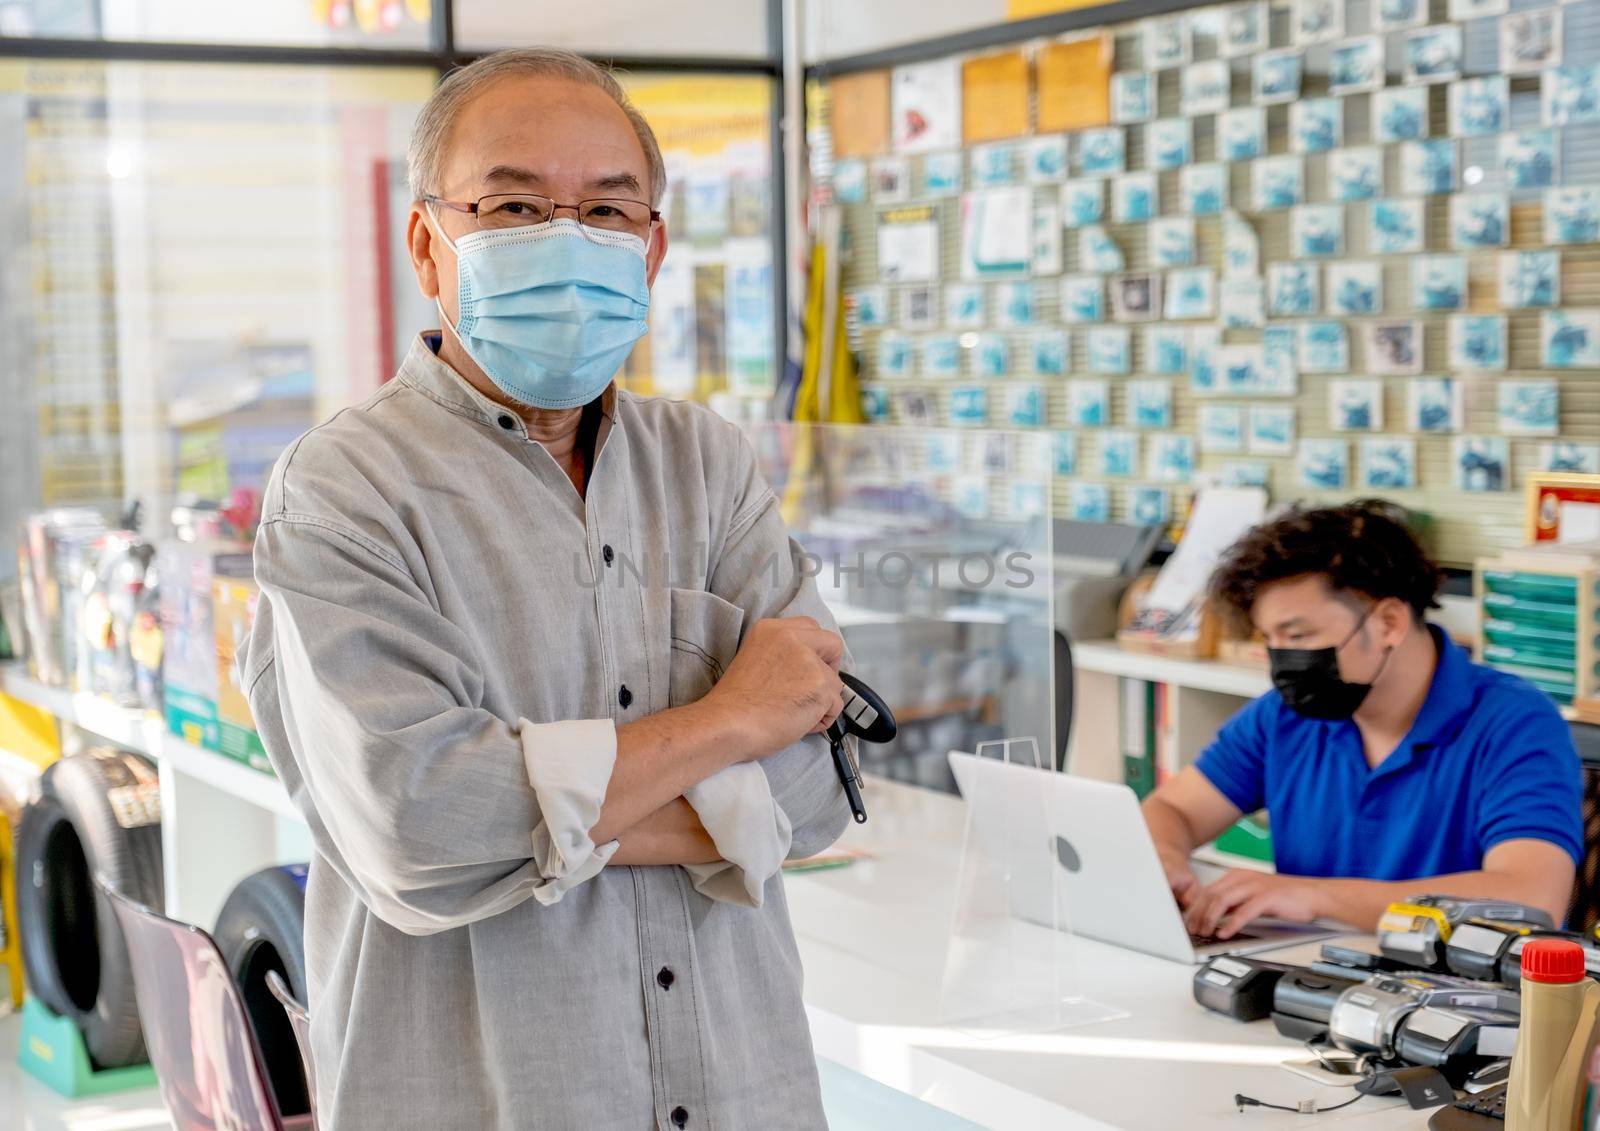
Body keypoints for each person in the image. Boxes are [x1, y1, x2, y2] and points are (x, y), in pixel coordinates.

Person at [241, 48, 852, 1130]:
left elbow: (814, 795)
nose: (570, 242)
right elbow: (418, 824)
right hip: (484, 1099)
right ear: (429, 243)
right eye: (516, 205)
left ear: (652, 248)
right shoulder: (342, 491)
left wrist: (531, 813)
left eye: (608, 212)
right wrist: (730, 720)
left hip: (740, 1086)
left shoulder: (708, 466)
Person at [1142, 501, 1582, 940]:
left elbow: (1530, 898)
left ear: (1389, 622)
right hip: (1308, 976)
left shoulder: (1516, 722)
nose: (1280, 661)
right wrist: (1166, 859)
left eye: (1297, 636)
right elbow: (1173, 808)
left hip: (1457, 995)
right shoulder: (1284, 716)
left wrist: (1316, 897)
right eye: (1271, 640)